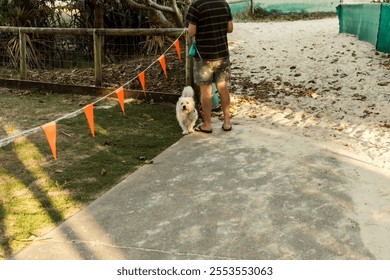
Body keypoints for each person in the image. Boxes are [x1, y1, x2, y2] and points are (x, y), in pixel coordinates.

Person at [186, 0, 233, 133]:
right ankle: (227, 123)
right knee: (223, 87)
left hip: (204, 56)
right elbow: (230, 28)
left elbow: (191, 32)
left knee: (206, 91)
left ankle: (207, 125)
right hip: (222, 54)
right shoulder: (224, 4)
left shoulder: (196, 6)